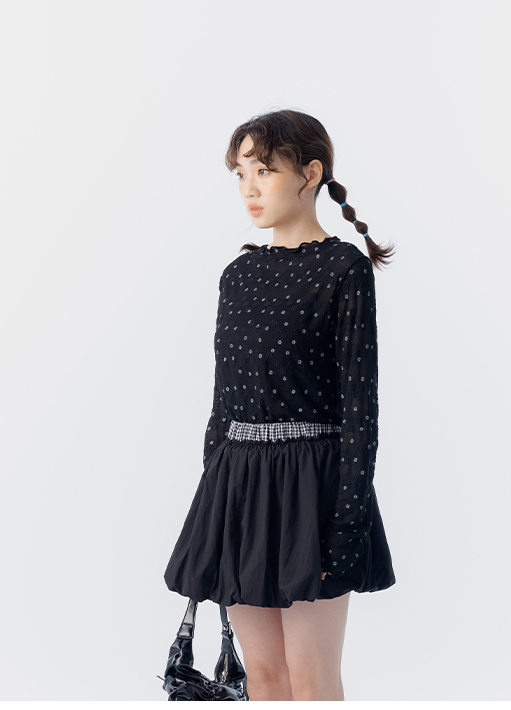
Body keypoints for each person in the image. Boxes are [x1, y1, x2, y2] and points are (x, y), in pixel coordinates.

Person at [164, 109, 396, 701]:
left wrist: (347, 524)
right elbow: (222, 403)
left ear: (310, 173)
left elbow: (360, 411)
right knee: (264, 676)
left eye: (264, 171)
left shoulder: (344, 269)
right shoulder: (238, 275)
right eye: (241, 174)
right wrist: (215, 509)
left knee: (311, 677)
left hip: (313, 490)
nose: (249, 188)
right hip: (239, 488)